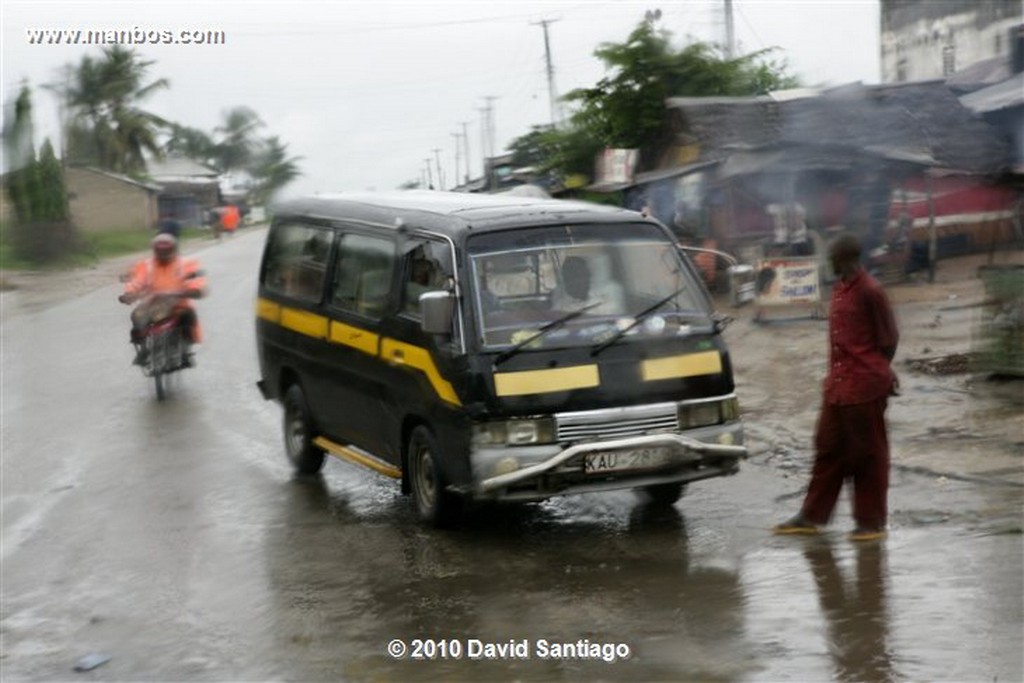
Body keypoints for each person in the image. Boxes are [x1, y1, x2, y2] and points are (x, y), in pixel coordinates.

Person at [773, 233, 899, 541]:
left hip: (865, 387)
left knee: (867, 454)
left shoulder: (871, 291)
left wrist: (877, 371)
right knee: (828, 448)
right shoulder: (840, 290)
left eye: (832, 258)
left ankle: (871, 523)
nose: (828, 263)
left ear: (846, 259)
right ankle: (811, 516)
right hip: (838, 388)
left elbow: (888, 339)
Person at [118, 234, 207, 366]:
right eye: (160, 250)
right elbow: (137, 281)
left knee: (188, 316)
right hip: (153, 303)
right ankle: (143, 349)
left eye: (167, 250)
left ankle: (185, 349)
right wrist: (129, 294)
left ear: (174, 249)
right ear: (155, 250)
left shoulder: (185, 263)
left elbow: (193, 280)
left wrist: (195, 289)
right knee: (136, 316)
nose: (164, 253)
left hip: (178, 303)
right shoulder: (146, 265)